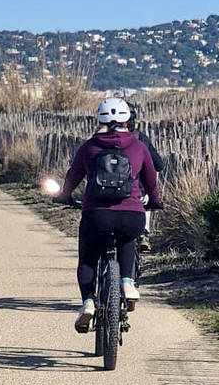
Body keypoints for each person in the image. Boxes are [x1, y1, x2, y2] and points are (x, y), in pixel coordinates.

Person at [57, 97, 164, 332]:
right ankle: (127, 282)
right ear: (128, 119)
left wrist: (64, 196)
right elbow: (151, 181)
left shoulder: (89, 147)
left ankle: (88, 301)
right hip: (131, 214)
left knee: (88, 257)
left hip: (97, 215)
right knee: (128, 238)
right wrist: (155, 202)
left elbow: (72, 177)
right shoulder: (139, 146)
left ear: (99, 120)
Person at [126, 102, 164, 252]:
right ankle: (144, 233)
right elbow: (159, 165)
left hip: (105, 194)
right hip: (138, 193)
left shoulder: (100, 140)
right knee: (146, 198)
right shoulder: (141, 139)